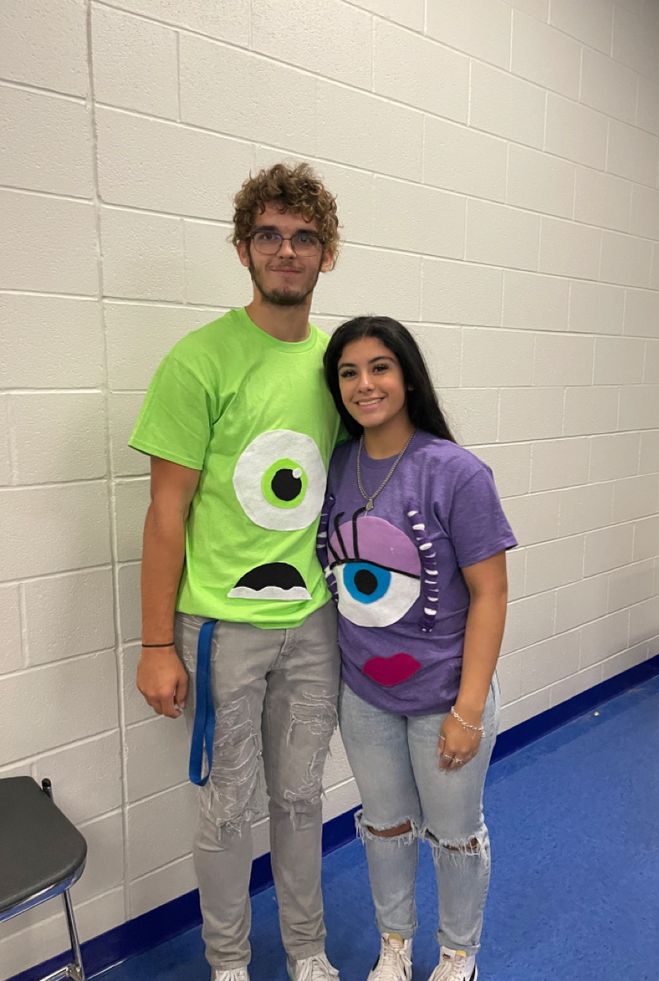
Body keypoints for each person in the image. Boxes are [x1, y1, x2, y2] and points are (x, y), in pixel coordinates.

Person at [129, 162, 343, 981]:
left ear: (327, 255)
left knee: (299, 800)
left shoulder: (338, 369)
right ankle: (228, 962)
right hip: (221, 630)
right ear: (244, 248)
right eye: (269, 236)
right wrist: (156, 643)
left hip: (314, 626)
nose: (285, 250)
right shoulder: (198, 362)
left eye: (303, 238)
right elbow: (164, 514)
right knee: (226, 810)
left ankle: (307, 949)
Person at [320, 316, 516, 981]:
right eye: (349, 371)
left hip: (444, 696)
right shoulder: (340, 463)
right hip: (366, 694)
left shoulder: (455, 471)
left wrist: (467, 709)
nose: (364, 383)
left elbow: (489, 593)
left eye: (379, 367)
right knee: (384, 825)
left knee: (455, 832)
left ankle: (459, 953)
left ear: (406, 376)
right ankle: (394, 946)